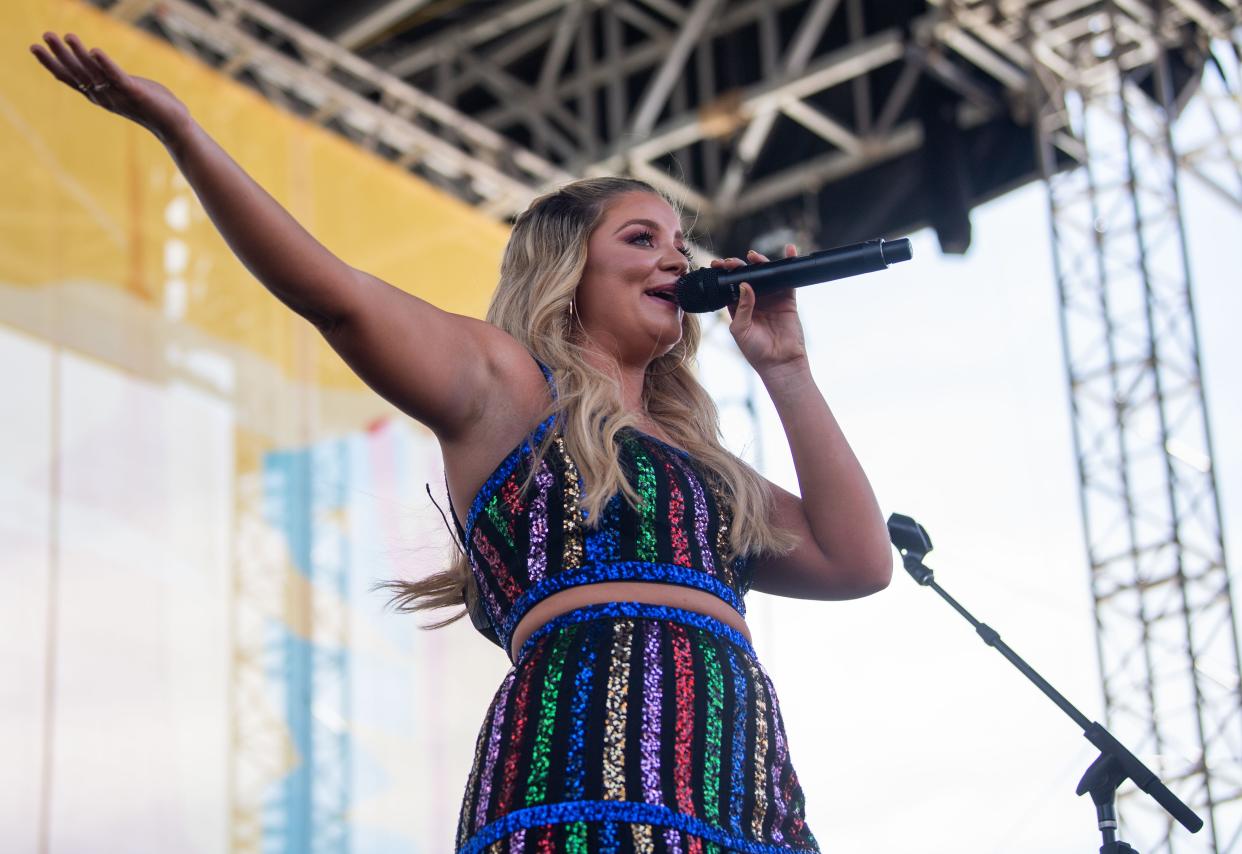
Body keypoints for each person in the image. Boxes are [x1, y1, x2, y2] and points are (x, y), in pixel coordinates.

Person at [32, 31, 893, 852]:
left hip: (742, 792)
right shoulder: (511, 387)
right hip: (583, 779)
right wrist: (182, 134)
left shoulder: (697, 464)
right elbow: (337, 296)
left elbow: (858, 561)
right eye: (641, 240)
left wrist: (786, 371)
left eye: (681, 244)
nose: (676, 260)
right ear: (568, 272)